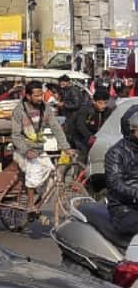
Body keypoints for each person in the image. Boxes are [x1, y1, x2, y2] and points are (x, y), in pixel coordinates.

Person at [11, 80, 71, 213]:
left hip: (39, 149)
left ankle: (39, 203)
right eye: (36, 96)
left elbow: (56, 127)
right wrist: (26, 151)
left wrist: (66, 147)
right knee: (34, 170)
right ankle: (30, 205)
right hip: (21, 150)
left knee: (53, 175)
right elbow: (15, 136)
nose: (40, 98)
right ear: (28, 96)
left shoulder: (46, 108)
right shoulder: (19, 111)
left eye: (41, 95)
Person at [105, 110, 138, 235]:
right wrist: (136, 193)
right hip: (124, 209)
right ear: (131, 130)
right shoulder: (116, 152)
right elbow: (115, 183)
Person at [69, 87, 113, 163]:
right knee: (84, 152)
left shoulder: (107, 111)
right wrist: (89, 137)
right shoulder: (85, 110)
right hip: (80, 137)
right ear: (93, 101)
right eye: (100, 103)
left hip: (96, 138)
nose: (103, 106)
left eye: (105, 103)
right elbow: (80, 125)